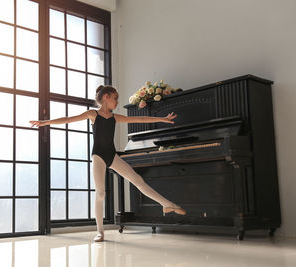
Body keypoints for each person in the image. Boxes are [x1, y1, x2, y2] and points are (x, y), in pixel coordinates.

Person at [30, 85, 186, 242]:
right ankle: (100, 232)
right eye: (115, 98)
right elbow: (69, 119)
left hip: (112, 155)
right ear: (106, 97)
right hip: (98, 156)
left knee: (138, 180)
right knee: (101, 193)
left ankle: (167, 204)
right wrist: (45, 122)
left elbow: (137, 119)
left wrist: (161, 119)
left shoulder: (114, 117)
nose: (117, 102)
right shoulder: (93, 114)